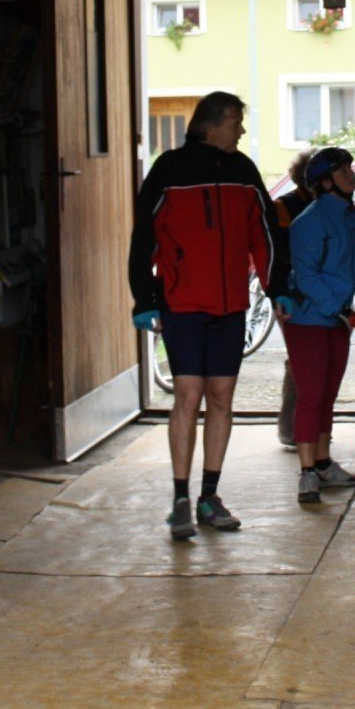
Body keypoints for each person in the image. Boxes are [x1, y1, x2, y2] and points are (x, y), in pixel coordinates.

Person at [129, 92, 281, 540]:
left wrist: (279, 290)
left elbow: (266, 234)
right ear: (211, 124)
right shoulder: (169, 170)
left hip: (230, 304)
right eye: (236, 121)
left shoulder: (243, 171)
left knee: (221, 397)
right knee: (188, 395)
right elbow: (144, 237)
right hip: (182, 303)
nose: (241, 130)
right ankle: (180, 499)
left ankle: (209, 496)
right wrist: (145, 298)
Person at [280, 146, 355, 502]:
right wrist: (340, 309)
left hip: (338, 318)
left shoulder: (354, 217)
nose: (352, 175)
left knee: (329, 395)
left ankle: (322, 463)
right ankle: (307, 473)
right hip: (308, 320)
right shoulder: (308, 221)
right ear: (324, 182)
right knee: (311, 395)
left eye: (351, 168)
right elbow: (307, 277)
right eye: (344, 170)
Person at [272, 150, 319, 448]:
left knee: (309, 361)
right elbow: (278, 256)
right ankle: (291, 427)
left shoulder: (325, 203)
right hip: (292, 294)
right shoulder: (284, 207)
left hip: (315, 292)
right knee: (301, 360)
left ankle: (303, 426)